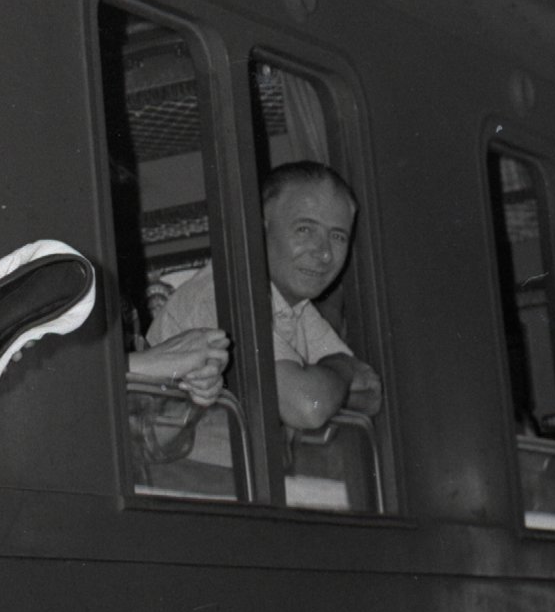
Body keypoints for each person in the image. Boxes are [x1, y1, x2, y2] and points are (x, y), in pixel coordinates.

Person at [148, 160, 382, 431]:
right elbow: (309, 407)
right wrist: (343, 369)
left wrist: (329, 380)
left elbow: (370, 396)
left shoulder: (295, 306)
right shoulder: (221, 294)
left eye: (338, 237)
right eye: (304, 229)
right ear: (258, 231)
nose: (324, 253)